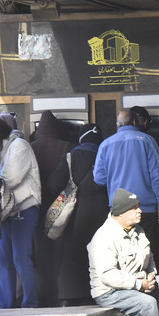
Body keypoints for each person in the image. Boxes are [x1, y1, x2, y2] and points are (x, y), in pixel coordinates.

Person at [88, 188, 159, 316]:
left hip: (137, 284)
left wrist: (151, 273)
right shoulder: (104, 237)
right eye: (133, 208)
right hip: (111, 292)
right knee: (148, 303)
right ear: (120, 213)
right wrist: (139, 284)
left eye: (138, 207)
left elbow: (149, 257)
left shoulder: (138, 230)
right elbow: (107, 275)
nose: (139, 211)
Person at [0, 117, 41, 308]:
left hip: (25, 209)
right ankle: (5, 305)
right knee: (3, 260)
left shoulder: (20, 146)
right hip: (8, 212)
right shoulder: (7, 150)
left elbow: (10, 178)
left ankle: (29, 303)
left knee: (20, 257)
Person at [94, 108, 159, 264]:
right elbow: (157, 175)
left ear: (118, 124)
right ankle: (147, 286)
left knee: (123, 254)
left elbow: (99, 178)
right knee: (147, 253)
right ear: (135, 121)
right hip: (144, 208)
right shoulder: (147, 140)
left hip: (119, 210)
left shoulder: (105, 145)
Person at [47, 124, 109, 306]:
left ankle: (71, 294)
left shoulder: (71, 156)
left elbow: (53, 183)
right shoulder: (106, 153)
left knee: (73, 252)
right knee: (101, 251)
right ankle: (99, 292)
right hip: (104, 209)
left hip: (77, 210)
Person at [31, 110, 74, 307]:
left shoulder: (31, 148)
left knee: (41, 253)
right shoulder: (68, 146)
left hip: (37, 208)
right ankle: (62, 295)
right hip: (61, 208)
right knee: (61, 252)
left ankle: (43, 296)